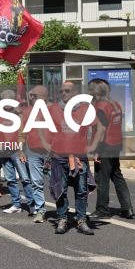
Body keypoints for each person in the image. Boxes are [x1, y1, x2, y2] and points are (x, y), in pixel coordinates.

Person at [49, 81, 104, 235]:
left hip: (80, 157)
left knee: (81, 191)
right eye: (61, 91)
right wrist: (48, 146)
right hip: (59, 158)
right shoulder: (53, 109)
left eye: (67, 90)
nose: (64, 93)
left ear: (75, 92)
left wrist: (93, 147)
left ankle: (81, 220)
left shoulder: (85, 109)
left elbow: (100, 127)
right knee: (61, 190)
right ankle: (62, 219)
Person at [88, 79, 134, 220]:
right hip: (116, 144)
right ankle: (127, 208)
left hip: (105, 146)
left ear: (96, 91)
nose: (89, 91)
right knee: (116, 175)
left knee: (102, 178)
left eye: (90, 89)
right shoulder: (115, 104)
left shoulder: (101, 106)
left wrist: (96, 150)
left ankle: (102, 210)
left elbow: (101, 130)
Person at [0, 90, 35, 215]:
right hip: (3, 151)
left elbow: (22, 134)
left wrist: (21, 151)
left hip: (16, 151)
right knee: (10, 179)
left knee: (25, 178)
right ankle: (16, 204)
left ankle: (32, 204)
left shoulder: (18, 116)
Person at [19, 86, 52, 223]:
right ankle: (40, 211)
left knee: (58, 183)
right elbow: (21, 133)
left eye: (34, 95)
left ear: (44, 97)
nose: (31, 98)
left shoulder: (54, 110)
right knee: (36, 183)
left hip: (52, 152)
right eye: (30, 95)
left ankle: (62, 210)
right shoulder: (26, 112)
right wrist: (21, 150)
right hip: (32, 151)